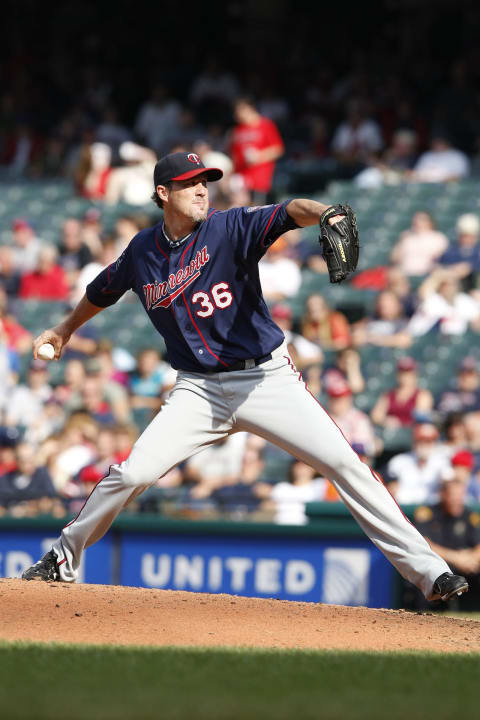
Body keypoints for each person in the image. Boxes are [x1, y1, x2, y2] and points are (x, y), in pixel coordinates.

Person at [22, 150, 467, 604]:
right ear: (163, 193)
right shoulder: (142, 252)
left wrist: (326, 212)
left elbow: (291, 211)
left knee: (345, 464)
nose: (201, 189)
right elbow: (101, 290)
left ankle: (430, 572)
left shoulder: (229, 226)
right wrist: (64, 329)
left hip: (266, 380)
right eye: (190, 183)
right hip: (198, 390)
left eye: (205, 181)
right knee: (131, 471)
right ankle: (62, 559)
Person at [413, 473, 480, 605]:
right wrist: (456, 558)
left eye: (460, 495)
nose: (457, 500)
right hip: (440, 566)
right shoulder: (428, 513)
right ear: (443, 495)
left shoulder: (470, 515)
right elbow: (423, 543)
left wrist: (470, 558)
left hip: (468, 565)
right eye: (453, 495)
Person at [230, 97, 284, 204]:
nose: (237, 115)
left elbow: (278, 149)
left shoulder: (266, 125)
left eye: (240, 110)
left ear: (250, 109)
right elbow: (234, 155)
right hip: (241, 178)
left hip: (259, 177)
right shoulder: (237, 130)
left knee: (257, 210)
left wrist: (259, 156)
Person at [385, 423, 450, 505]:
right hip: (403, 508)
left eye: (429, 441)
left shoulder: (442, 462)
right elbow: (390, 487)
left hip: (432, 509)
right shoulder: (399, 461)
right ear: (415, 442)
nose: (425, 445)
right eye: (421, 440)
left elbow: (448, 484)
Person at [371, 357, 433, 428]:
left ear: (415, 375)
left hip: (411, 433)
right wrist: (385, 420)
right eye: (402, 373)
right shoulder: (389, 395)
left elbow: (421, 417)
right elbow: (376, 416)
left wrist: (400, 424)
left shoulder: (422, 395)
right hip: (391, 431)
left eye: (408, 373)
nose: (405, 377)